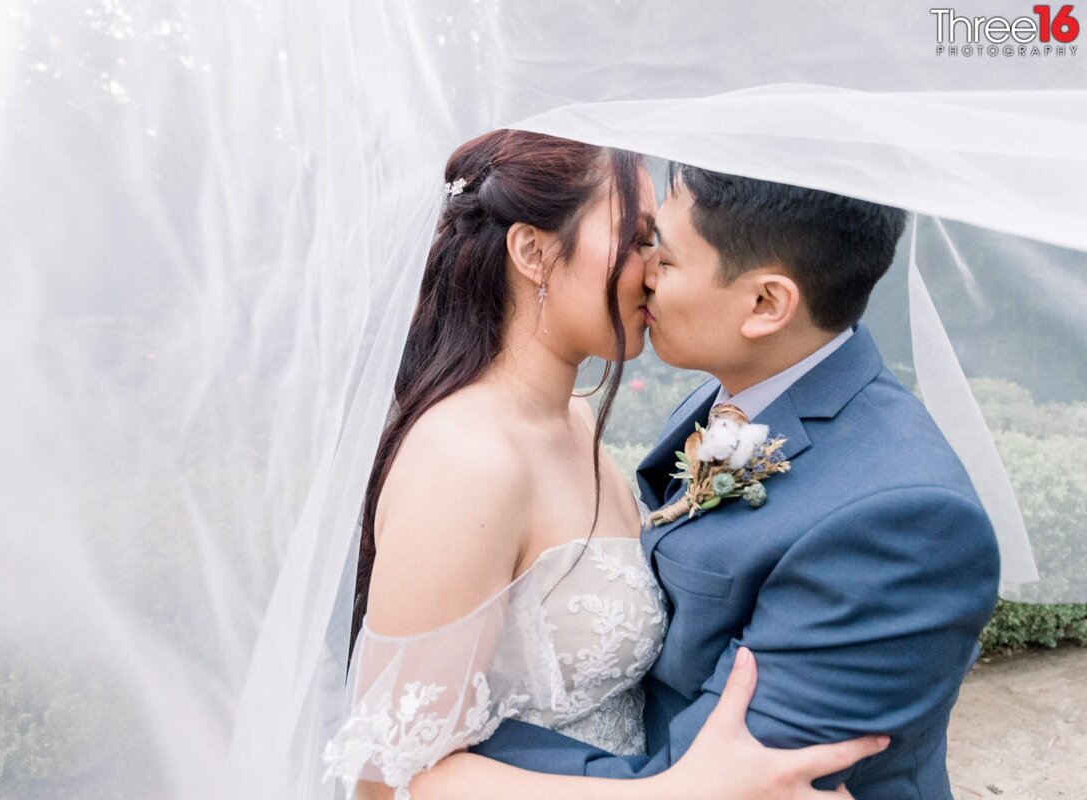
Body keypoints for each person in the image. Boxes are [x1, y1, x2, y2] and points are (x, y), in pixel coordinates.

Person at [322, 130, 887, 800]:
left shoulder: (575, 420)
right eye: (640, 237)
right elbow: (386, 778)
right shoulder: (469, 460)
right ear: (533, 251)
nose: (654, 269)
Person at [467, 165, 1002, 799]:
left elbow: (712, 780)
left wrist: (444, 745)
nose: (641, 275)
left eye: (662, 255)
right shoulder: (741, 391)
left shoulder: (904, 523)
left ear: (766, 303)